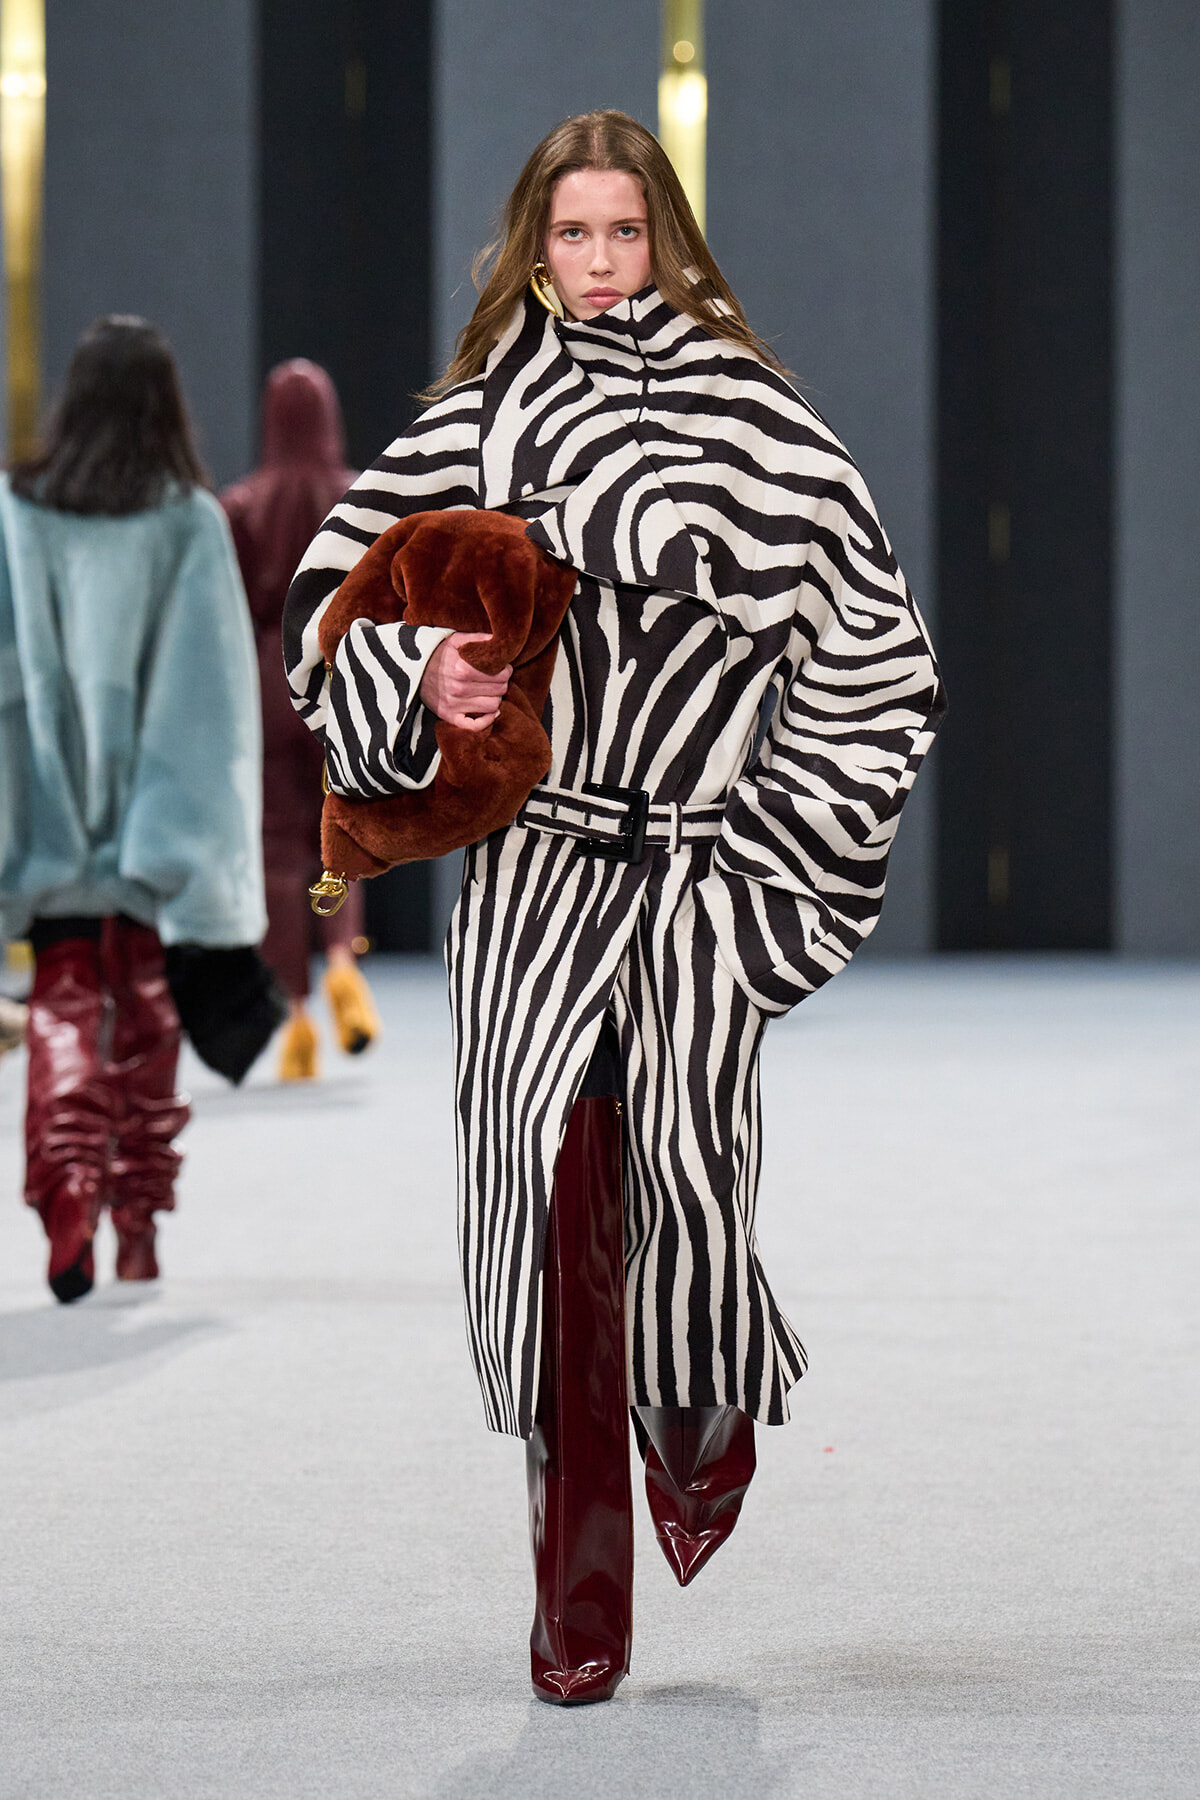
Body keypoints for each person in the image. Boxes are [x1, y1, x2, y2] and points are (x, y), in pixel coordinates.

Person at [283, 111, 944, 1703]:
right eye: (569, 236)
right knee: (555, 1196)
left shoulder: (765, 425)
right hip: (537, 878)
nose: (595, 265)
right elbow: (327, 606)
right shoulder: (478, 420)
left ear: (668, 241)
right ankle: (576, 1594)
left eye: (623, 234)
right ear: (533, 246)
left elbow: (875, 656)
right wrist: (417, 670)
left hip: (705, 875)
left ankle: (702, 1401)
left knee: (686, 1185)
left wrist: (788, 855)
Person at [0, 316, 265, 1301]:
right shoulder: (186, 518)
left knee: (66, 997)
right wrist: (197, 846)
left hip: (45, 816)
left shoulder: (14, 511)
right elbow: (204, 702)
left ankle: (68, 1178)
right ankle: (140, 1223)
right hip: (156, 830)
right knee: (147, 1013)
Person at [222, 361, 380, 1082]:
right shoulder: (357, 498)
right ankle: (345, 957)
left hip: (263, 685)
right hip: (338, 680)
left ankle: (293, 1013)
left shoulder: (240, 505)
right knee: (341, 829)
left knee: (278, 853)